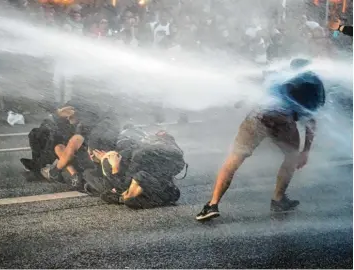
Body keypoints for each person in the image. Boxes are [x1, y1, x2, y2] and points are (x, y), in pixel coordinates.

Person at [196, 58, 326, 221]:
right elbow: (311, 121)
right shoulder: (314, 85)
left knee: (234, 159)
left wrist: (241, 101)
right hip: (283, 121)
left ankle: (212, 205)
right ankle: (278, 199)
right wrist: (305, 151)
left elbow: (255, 90)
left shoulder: (279, 77)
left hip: (258, 117)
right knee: (291, 157)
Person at [84, 126, 184, 209]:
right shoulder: (138, 149)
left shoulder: (138, 156)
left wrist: (115, 167)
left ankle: (122, 198)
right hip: (167, 186)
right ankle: (124, 196)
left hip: (160, 188)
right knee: (92, 183)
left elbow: (122, 186)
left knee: (136, 182)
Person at [40, 101, 120, 189]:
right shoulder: (79, 123)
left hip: (96, 159)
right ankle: (75, 176)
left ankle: (54, 172)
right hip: (87, 155)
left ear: (75, 112)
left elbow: (75, 142)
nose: (67, 119)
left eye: (68, 116)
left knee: (74, 141)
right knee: (59, 147)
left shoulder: (87, 123)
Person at [20, 106, 76, 175]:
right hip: (59, 128)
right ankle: (37, 162)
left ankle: (38, 165)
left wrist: (64, 114)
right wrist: (58, 112)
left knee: (53, 135)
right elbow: (59, 114)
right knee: (35, 132)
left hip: (69, 132)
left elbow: (72, 118)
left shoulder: (81, 106)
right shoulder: (69, 103)